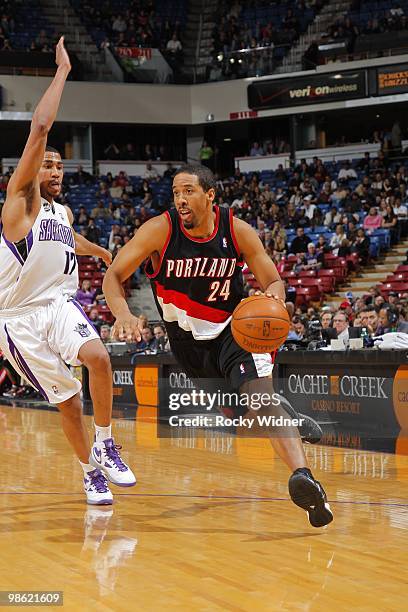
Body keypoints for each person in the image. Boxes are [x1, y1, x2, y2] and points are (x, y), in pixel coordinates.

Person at [103, 164, 333, 528]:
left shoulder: (237, 231)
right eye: (176, 192)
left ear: (210, 195)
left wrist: (272, 298)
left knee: (261, 399)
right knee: (241, 417)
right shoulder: (159, 231)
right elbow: (113, 276)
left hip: (235, 331)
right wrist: (122, 314)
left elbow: (273, 279)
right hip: (187, 341)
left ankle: (305, 480)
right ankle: (290, 418)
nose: (180, 199)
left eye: (188, 191)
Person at [0, 39, 135, 506]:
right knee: (69, 403)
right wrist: (62, 71)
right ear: (34, 171)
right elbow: (39, 128)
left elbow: (67, 241)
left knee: (99, 357)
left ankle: (106, 442)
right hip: (18, 318)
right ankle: (88, 472)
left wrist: (101, 253)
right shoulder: (20, 202)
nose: (55, 169)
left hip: (58, 303)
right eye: (48, 164)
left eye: (60, 164)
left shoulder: (62, 213)